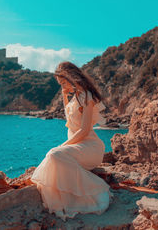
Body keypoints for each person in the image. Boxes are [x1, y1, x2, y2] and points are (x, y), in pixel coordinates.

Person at [30, 61, 113, 221]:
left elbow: (84, 130)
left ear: (71, 77)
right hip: (79, 146)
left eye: (63, 82)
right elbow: (69, 120)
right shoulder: (75, 98)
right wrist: (64, 95)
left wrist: (63, 146)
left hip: (90, 147)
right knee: (53, 156)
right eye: (60, 84)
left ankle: (98, 189)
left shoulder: (86, 96)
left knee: (54, 154)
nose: (62, 86)